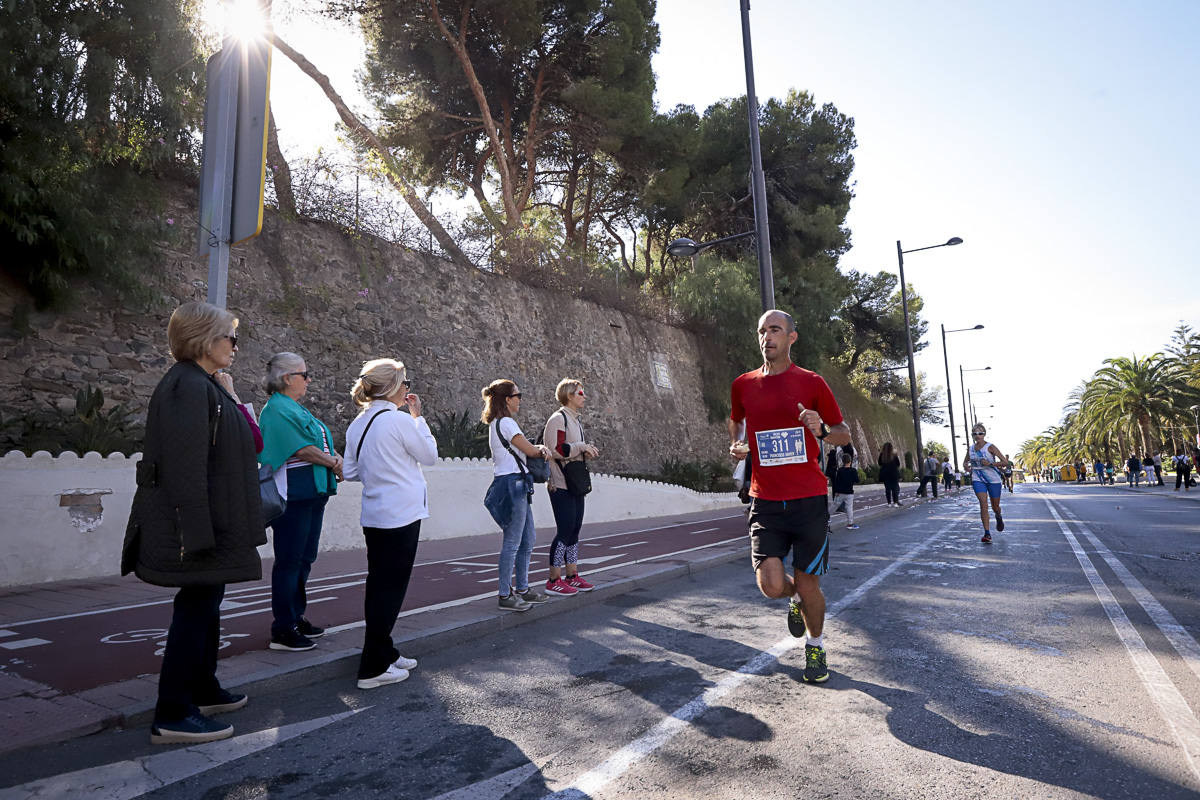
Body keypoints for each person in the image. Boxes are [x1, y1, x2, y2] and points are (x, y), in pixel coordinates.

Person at [121, 302, 265, 744]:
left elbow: (243, 446)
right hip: (200, 524)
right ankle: (173, 713)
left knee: (206, 605)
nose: (235, 347)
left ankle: (203, 689)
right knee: (195, 609)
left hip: (214, 519)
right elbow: (186, 467)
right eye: (230, 338)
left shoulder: (203, 383)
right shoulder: (187, 386)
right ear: (204, 339)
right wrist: (196, 531)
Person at [728, 310, 851, 684]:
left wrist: (822, 428)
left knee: (811, 583)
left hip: (809, 500)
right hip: (765, 500)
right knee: (770, 585)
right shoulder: (743, 385)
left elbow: (843, 433)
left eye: (775, 330)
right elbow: (736, 419)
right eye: (762, 331)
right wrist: (736, 443)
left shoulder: (811, 382)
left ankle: (816, 645)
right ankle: (795, 599)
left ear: (791, 338)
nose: (767, 337)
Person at [341, 359, 438, 690]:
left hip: (375, 515)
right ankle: (372, 667)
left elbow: (351, 472)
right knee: (390, 589)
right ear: (394, 388)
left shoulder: (359, 424)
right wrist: (418, 417)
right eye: (405, 384)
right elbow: (429, 455)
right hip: (402, 515)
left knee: (379, 585)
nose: (408, 390)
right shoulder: (398, 421)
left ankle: (384, 650)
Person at [259, 352, 341, 652]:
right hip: (293, 495)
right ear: (286, 378)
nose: (308, 380)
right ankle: (283, 628)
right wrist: (334, 462)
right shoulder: (276, 410)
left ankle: (295, 616)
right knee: (290, 561)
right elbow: (302, 449)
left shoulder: (292, 408)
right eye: (304, 375)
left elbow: (317, 444)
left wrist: (333, 459)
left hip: (311, 493)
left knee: (304, 559)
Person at [482, 379, 553, 611]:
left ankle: (522, 588)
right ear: (507, 399)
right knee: (513, 541)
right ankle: (505, 594)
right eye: (517, 395)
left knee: (527, 539)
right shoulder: (507, 424)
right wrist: (542, 449)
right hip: (513, 484)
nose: (520, 399)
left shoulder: (496, 424)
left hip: (514, 484)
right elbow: (530, 450)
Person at [541, 378, 600, 596]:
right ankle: (553, 579)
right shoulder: (559, 419)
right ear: (569, 396)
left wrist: (585, 450)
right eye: (580, 393)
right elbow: (556, 449)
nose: (584, 396)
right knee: (565, 530)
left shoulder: (575, 421)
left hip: (575, 483)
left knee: (574, 530)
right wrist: (580, 446)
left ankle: (572, 575)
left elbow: (571, 449)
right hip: (560, 483)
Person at [964, 424, 1009, 543]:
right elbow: (965, 462)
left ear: (984, 434)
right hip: (977, 478)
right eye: (975, 434)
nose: (977, 436)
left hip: (993, 479)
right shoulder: (971, 449)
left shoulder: (990, 447)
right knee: (983, 504)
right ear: (972, 435)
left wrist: (990, 464)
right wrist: (967, 468)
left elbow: (1005, 462)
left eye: (980, 433)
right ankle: (987, 533)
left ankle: (998, 515)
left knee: (995, 506)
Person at [832, 452, 860, 530]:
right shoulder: (853, 470)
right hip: (849, 492)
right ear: (850, 461)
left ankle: (825, 518)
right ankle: (850, 523)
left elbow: (837, 481)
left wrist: (836, 491)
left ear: (842, 461)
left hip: (840, 492)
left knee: (834, 505)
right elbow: (857, 480)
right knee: (849, 508)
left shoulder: (840, 470)